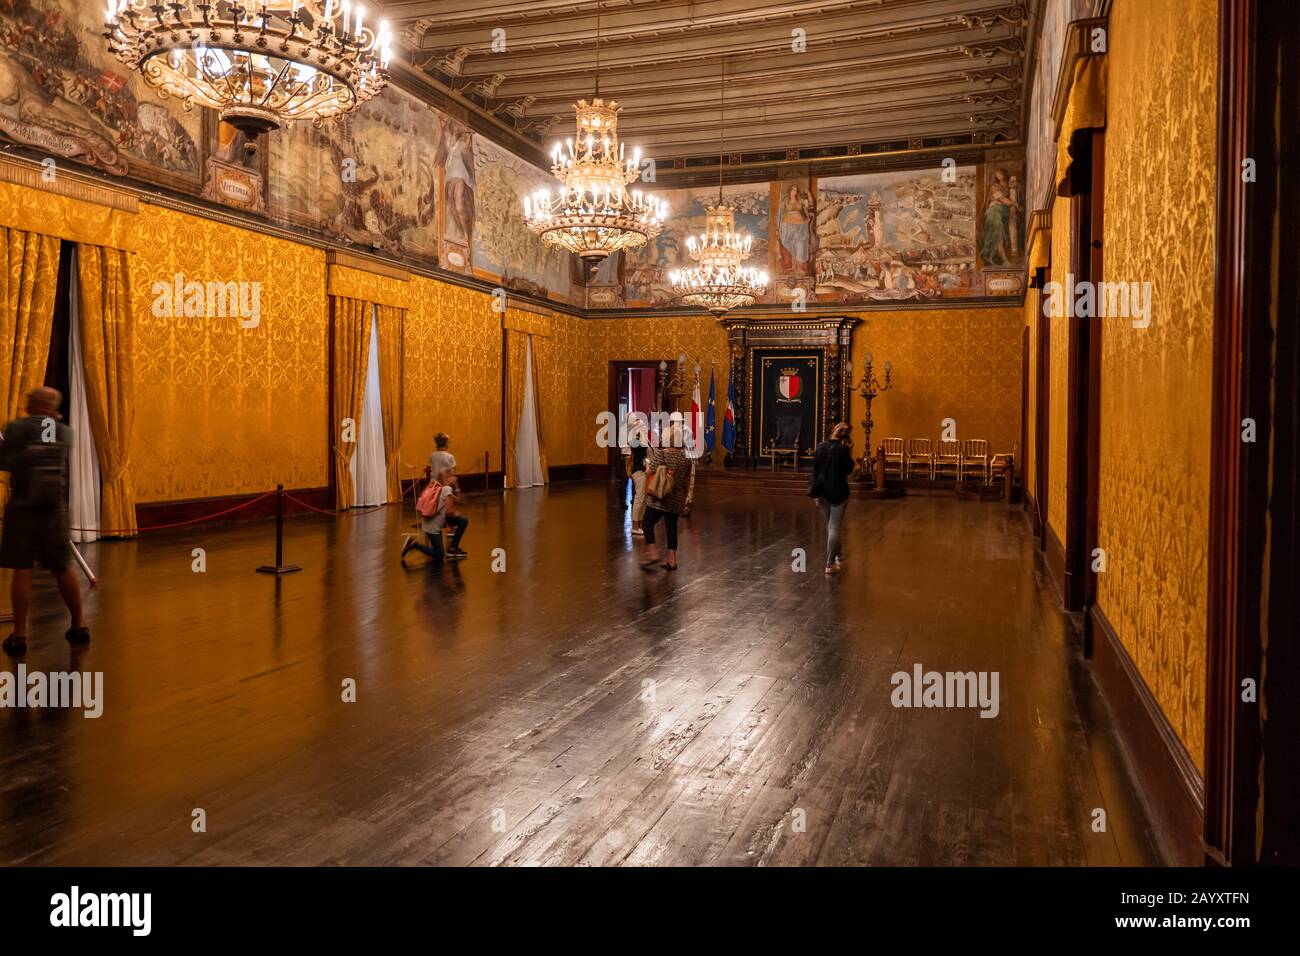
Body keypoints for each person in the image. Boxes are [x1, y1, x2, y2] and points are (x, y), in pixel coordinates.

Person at [0, 387, 89, 654]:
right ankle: (79, 624)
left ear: (34, 404)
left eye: (29, 399)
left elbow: (5, 461)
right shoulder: (63, 430)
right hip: (54, 508)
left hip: (23, 508)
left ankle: (19, 634)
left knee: (23, 570)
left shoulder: (17, 428)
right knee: (62, 568)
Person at [640, 420, 693, 572]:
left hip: (659, 498)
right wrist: (685, 498)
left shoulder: (661, 454)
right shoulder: (686, 459)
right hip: (676, 499)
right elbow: (686, 480)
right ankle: (672, 560)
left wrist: (648, 467)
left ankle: (652, 552)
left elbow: (648, 473)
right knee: (672, 527)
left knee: (647, 523)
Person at [808, 422, 856, 574]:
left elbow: (815, 472)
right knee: (834, 527)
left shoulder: (820, 446)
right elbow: (849, 469)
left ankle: (839, 556)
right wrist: (850, 451)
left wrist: (816, 496)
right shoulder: (843, 450)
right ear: (846, 436)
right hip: (838, 493)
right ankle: (829, 564)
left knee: (830, 526)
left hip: (822, 492)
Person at [402, 467, 469, 563]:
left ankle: (452, 549)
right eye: (453, 476)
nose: (456, 478)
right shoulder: (446, 489)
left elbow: (461, 501)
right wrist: (455, 513)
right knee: (439, 555)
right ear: (447, 479)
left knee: (463, 520)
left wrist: (456, 486)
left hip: (434, 522)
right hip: (432, 527)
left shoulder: (441, 488)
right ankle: (413, 544)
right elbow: (450, 512)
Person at [623, 415, 649, 535]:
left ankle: (640, 523)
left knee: (642, 498)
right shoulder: (634, 439)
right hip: (638, 469)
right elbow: (640, 452)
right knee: (639, 498)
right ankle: (635, 525)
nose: (642, 425)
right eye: (639, 422)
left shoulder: (638, 438)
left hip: (641, 469)